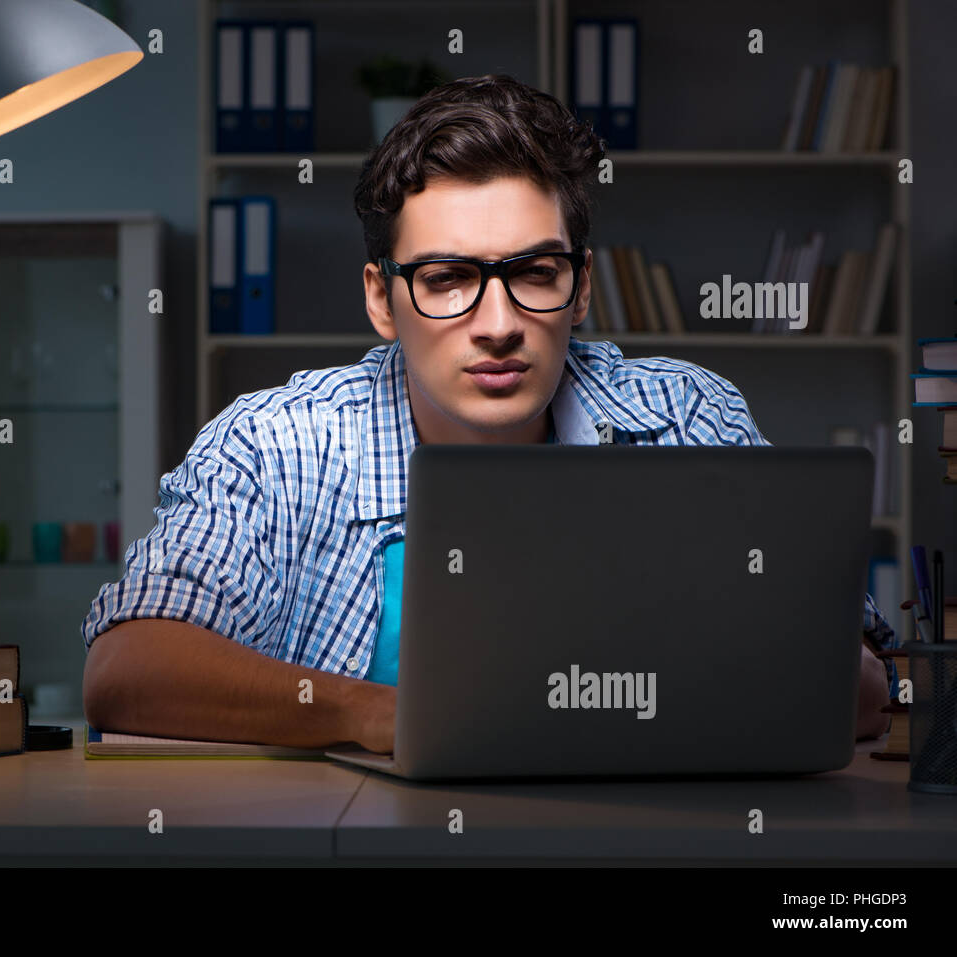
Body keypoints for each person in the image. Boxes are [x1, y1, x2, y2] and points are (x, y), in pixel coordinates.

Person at [81, 74, 893, 754]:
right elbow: (126, 670)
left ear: (579, 288)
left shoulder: (687, 415)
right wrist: (371, 712)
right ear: (382, 299)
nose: (498, 321)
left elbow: (859, 691)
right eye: (445, 278)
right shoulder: (273, 443)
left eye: (534, 271)